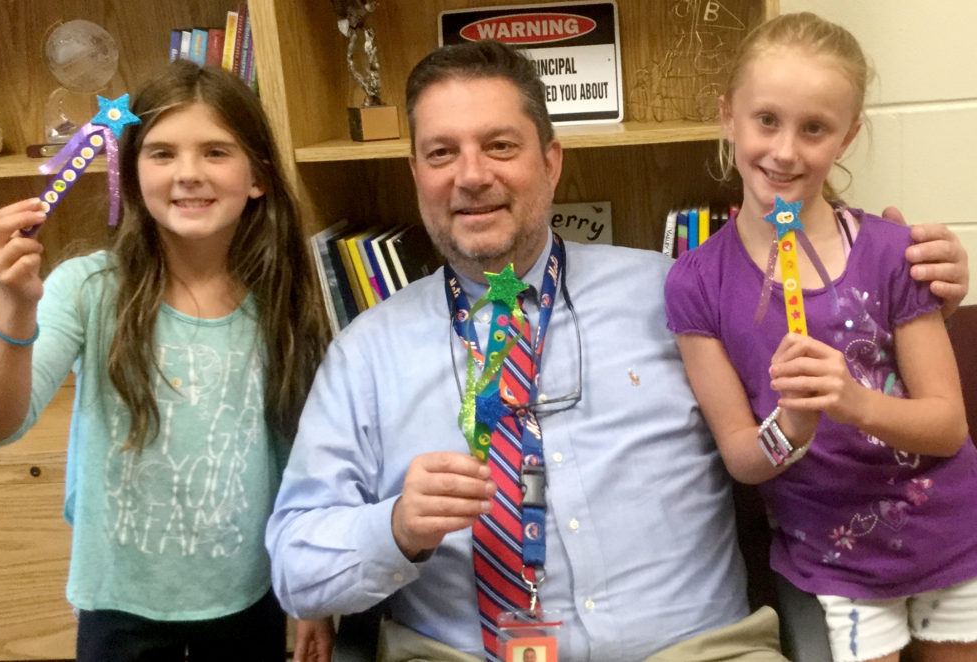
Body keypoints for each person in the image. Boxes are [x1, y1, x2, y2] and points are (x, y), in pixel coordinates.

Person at [266, 40, 970, 661]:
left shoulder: (676, 293)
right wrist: (389, 530)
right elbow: (295, 565)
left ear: (551, 161)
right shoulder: (365, 352)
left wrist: (915, 277)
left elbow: (829, 338)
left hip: (696, 651)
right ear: (416, 171)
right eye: (441, 152)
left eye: (500, 146)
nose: (470, 175)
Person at [0, 60, 333, 662]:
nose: (188, 173)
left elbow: (301, 461)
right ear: (131, 176)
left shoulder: (282, 301)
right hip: (119, 608)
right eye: (161, 153)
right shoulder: (87, 288)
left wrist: (310, 594)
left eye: (216, 151)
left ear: (258, 177)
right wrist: (12, 304)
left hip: (250, 602)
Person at [665, 13, 977, 662]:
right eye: (766, 120)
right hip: (838, 561)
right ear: (728, 116)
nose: (785, 152)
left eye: (814, 128)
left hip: (951, 533)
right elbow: (743, 457)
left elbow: (947, 427)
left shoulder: (895, 254)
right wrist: (793, 426)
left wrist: (852, 401)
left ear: (848, 136)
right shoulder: (695, 284)